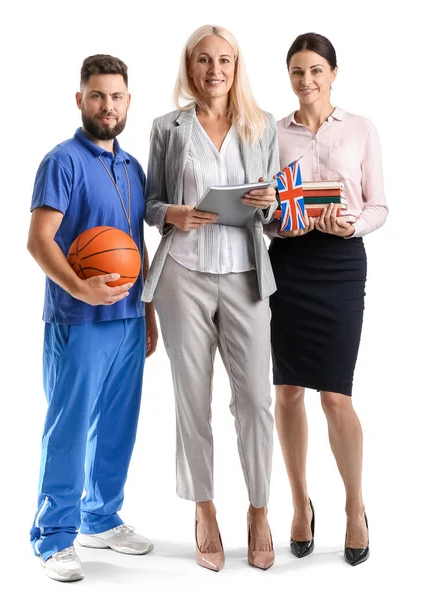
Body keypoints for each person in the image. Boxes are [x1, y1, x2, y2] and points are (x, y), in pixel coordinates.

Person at [142, 25, 279, 571]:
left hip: (246, 275)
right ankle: (203, 509)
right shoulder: (166, 127)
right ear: (190, 65)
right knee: (191, 400)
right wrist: (171, 214)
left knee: (254, 403)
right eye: (204, 59)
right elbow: (150, 203)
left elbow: (270, 213)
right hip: (183, 277)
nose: (215, 69)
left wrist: (267, 201)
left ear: (237, 66)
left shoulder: (261, 125)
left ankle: (260, 508)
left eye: (224, 59)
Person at [28, 54, 158, 582]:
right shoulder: (62, 161)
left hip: (127, 319)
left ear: (128, 101)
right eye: (98, 95)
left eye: (117, 96)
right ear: (80, 99)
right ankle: (53, 537)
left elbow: (137, 244)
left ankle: (100, 518)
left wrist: (147, 311)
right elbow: (38, 240)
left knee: (118, 426)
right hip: (77, 320)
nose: (108, 106)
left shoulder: (132, 168)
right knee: (69, 428)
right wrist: (81, 287)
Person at [266, 33, 388, 566]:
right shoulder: (272, 134)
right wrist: (279, 225)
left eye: (316, 70)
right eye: (297, 71)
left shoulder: (362, 129)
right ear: (288, 76)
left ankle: (355, 507)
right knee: (288, 391)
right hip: (289, 265)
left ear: (333, 73)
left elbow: (381, 205)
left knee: (336, 395)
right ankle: (298, 504)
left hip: (340, 265)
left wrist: (353, 223)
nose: (307, 80)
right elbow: (265, 208)